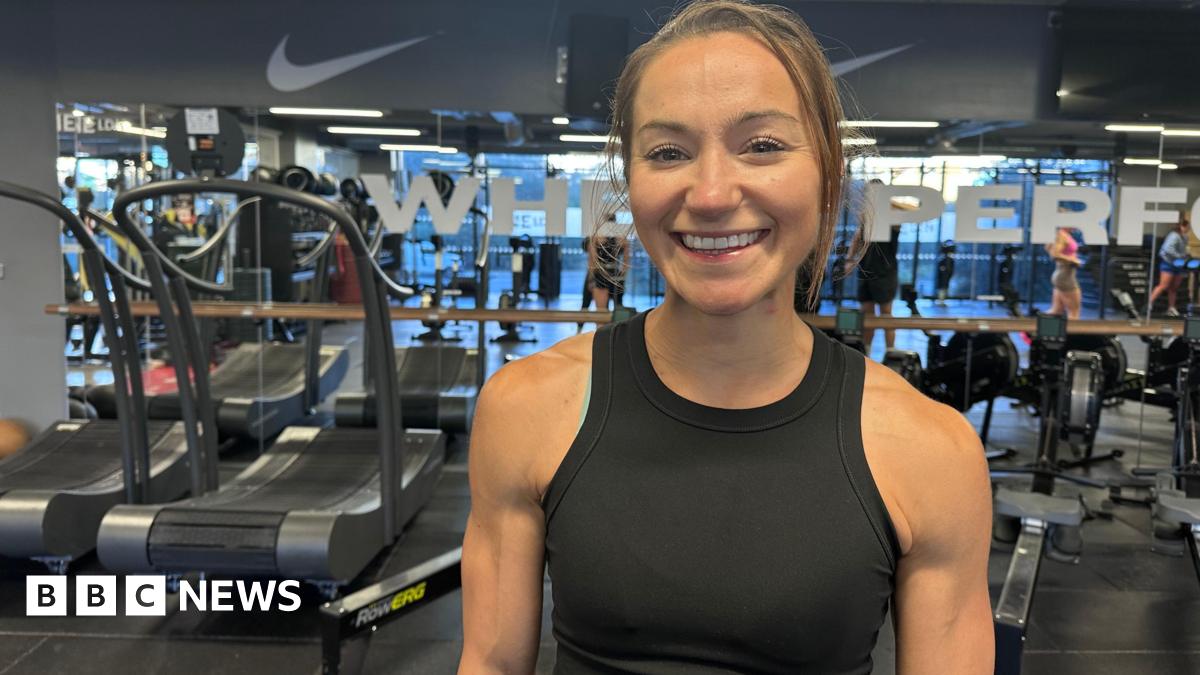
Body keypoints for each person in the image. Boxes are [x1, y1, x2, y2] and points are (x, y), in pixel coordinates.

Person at [459, 2, 993, 673]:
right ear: (631, 182)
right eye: (668, 152)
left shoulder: (932, 453)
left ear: (828, 173)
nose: (710, 192)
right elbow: (490, 662)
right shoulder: (526, 409)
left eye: (763, 146)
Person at [853, 178, 901, 352]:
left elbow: (898, 220)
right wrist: (851, 259)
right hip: (866, 270)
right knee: (867, 314)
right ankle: (866, 352)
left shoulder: (892, 214)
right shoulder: (866, 215)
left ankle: (891, 352)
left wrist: (886, 201)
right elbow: (858, 236)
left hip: (885, 272)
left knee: (886, 314)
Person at [1148, 213, 1191, 317]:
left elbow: (1183, 250)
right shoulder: (1174, 236)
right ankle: (1149, 305)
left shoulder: (1184, 237)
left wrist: (1185, 255)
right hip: (1168, 264)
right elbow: (1168, 249)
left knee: (1174, 288)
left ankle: (1171, 308)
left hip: (1178, 265)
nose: (1188, 229)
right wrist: (1180, 256)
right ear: (1181, 226)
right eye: (1186, 227)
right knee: (1164, 285)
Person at [1045, 227, 1082, 319]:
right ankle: (1071, 333)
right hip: (1065, 277)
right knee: (1074, 313)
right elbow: (1054, 254)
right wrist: (1073, 260)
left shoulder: (1064, 235)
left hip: (1062, 275)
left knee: (1056, 310)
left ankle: (1041, 330)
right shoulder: (1061, 235)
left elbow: (1047, 247)